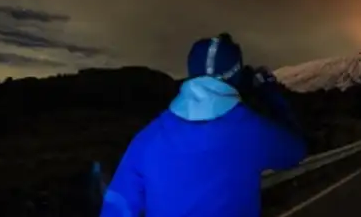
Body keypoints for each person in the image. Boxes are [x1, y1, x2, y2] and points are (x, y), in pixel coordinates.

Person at [100, 34, 307, 217]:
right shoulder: (254, 132)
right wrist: (270, 94)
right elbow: (296, 150)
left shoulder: (147, 139)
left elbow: (117, 208)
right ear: (236, 76)